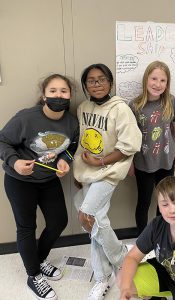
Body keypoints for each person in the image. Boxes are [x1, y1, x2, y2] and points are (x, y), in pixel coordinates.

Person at [0, 74, 79, 300]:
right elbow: (2, 140)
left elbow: (71, 146)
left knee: (59, 222)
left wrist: (66, 160)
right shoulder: (26, 118)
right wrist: (14, 161)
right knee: (26, 228)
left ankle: (39, 260)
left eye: (63, 91)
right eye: (52, 91)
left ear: (70, 95)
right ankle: (33, 274)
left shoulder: (72, 122)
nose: (58, 95)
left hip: (48, 180)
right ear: (43, 95)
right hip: (19, 182)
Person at [73, 63, 142, 300]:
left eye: (102, 79)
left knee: (87, 216)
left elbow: (129, 145)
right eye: (91, 81)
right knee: (96, 220)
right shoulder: (83, 107)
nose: (97, 84)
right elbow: (82, 143)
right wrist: (79, 172)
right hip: (87, 172)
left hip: (109, 172)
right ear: (85, 86)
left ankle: (119, 264)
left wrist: (100, 162)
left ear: (110, 82)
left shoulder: (120, 108)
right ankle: (108, 270)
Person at [129, 61, 175, 235]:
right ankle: (142, 237)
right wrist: (129, 162)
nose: (157, 84)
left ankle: (162, 234)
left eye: (163, 80)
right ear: (146, 79)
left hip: (167, 160)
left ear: (167, 84)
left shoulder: (170, 101)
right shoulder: (135, 105)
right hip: (143, 162)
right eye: (154, 78)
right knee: (144, 201)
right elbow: (129, 137)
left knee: (166, 200)